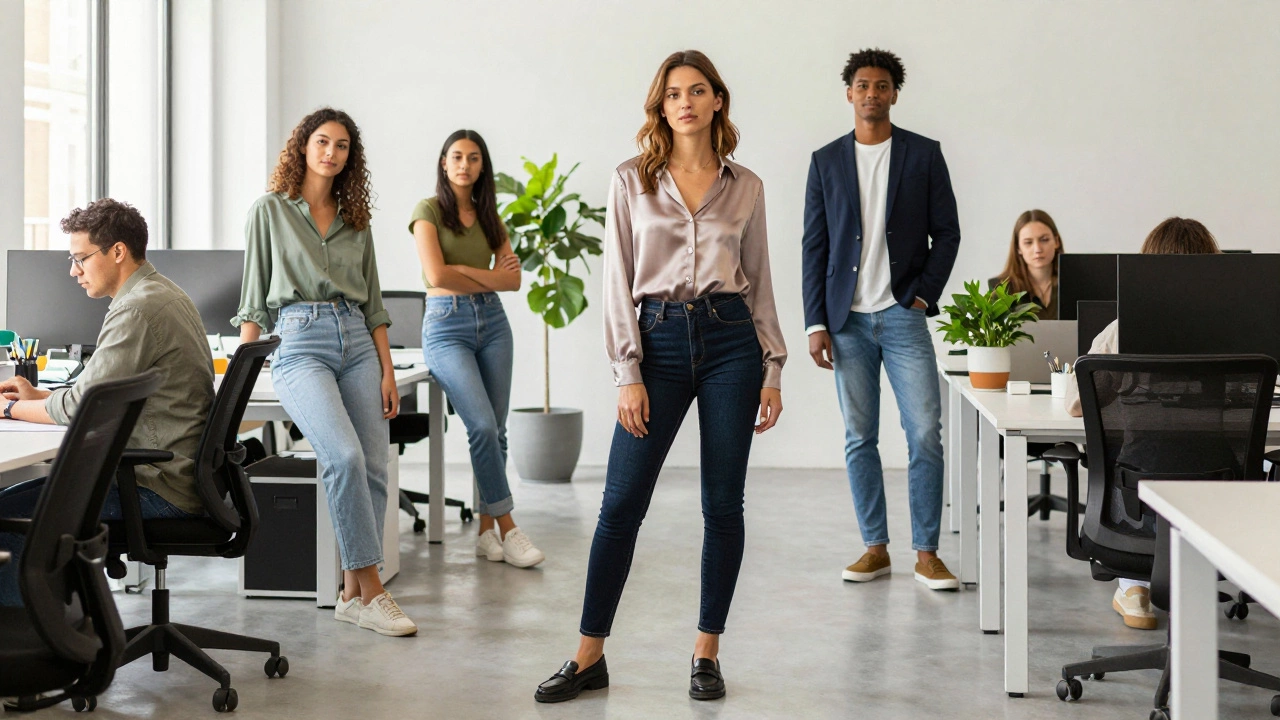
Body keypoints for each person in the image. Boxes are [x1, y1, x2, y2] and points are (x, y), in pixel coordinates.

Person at [535, 50, 786, 704]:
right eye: (673, 93)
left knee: (722, 504)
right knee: (621, 503)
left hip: (732, 342)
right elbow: (617, 279)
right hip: (658, 341)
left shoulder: (747, 186)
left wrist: (772, 368)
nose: (685, 102)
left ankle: (706, 652)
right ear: (661, 106)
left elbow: (759, 281)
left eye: (697, 91)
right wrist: (628, 371)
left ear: (717, 100)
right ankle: (588, 655)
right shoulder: (631, 180)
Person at [234, 107, 415, 637]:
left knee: (375, 465)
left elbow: (375, 304)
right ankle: (373, 591)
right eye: (321, 141)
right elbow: (253, 301)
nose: (331, 152)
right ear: (303, 146)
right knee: (343, 457)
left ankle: (351, 595)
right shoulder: (269, 210)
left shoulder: (355, 220)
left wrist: (387, 369)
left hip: (357, 339)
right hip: (299, 341)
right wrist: (240, 379)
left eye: (341, 146)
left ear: (349, 158)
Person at [801, 48, 962, 591]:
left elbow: (948, 233)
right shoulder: (825, 160)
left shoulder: (923, 154)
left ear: (895, 93)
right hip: (845, 320)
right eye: (863, 85)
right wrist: (815, 322)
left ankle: (927, 553)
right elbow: (815, 246)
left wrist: (922, 296)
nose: (872, 93)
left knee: (925, 434)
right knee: (858, 437)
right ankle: (875, 547)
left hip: (901, 315)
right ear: (849, 93)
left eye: (882, 85)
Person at [0, 198, 213, 606]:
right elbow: (96, 394)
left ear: (117, 251)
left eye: (80, 258)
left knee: (7, 515)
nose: (73, 270)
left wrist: (9, 409)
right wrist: (39, 396)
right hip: (174, 477)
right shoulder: (162, 292)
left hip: (155, 488)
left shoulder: (137, 309)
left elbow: (81, 408)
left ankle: (23, 635)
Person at [1064, 217, 1222, 631]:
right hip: (1220, 505)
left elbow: (1077, 405)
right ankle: (1164, 585)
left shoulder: (1120, 333)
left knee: (1134, 465)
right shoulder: (1236, 333)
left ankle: (1134, 588)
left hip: (1137, 503)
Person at [409, 129, 543, 568]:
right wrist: (485, 275)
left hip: (493, 323)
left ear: (482, 165)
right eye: (456, 157)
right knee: (482, 426)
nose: (464, 165)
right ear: (444, 163)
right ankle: (509, 527)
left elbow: (513, 281)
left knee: (496, 431)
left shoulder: (490, 216)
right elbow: (436, 276)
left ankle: (487, 533)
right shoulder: (427, 211)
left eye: (473, 157)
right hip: (446, 325)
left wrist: (462, 271)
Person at [989, 209, 1064, 317]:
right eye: (1028, 242)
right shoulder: (1001, 288)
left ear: (1056, 241)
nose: (1037, 249)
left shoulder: (1076, 284)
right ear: (1018, 248)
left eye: (1044, 240)